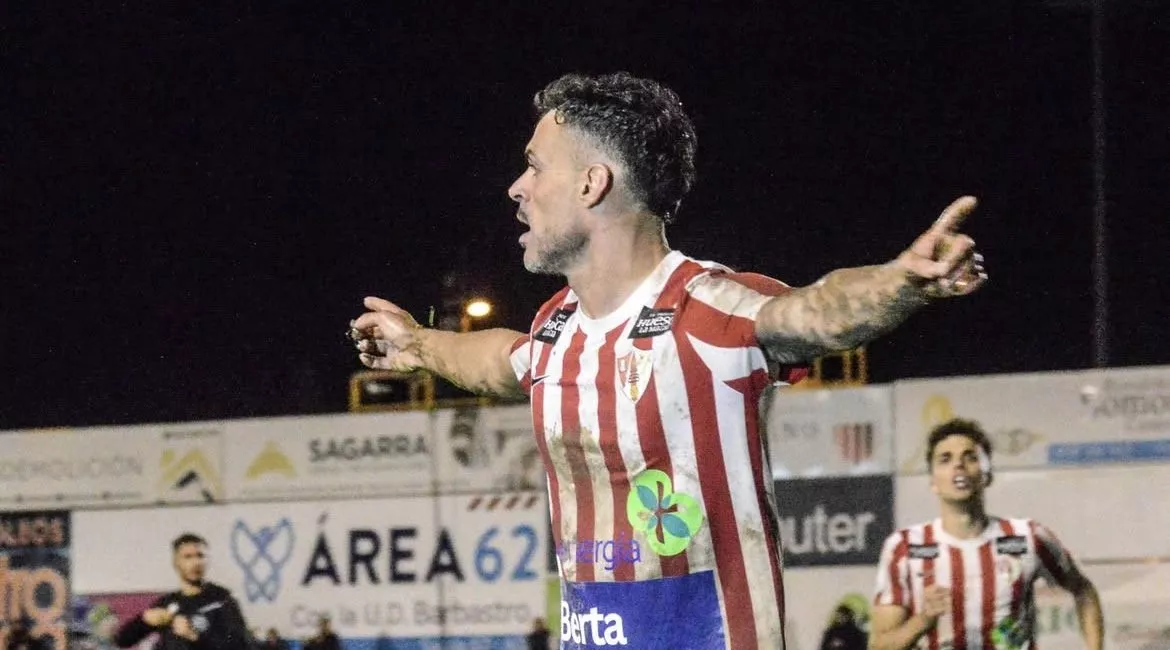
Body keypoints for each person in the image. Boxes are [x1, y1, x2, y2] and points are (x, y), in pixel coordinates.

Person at [351, 72, 987, 649]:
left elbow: (818, 311)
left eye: (535, 167)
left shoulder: (706, 309)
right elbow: (504, 361)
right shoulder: (559, 325)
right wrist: (418, 346)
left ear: (592, 183)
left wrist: (901, 282)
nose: (517, 188)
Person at [869, 418, 1104, 650]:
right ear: (933, 482)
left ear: (986, 475)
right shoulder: (905, 546)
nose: (958, 465)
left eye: (970, 457)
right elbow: (879, 646)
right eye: (945, 459)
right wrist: (922, 620)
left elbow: (1083, 591)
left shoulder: (1027, 537)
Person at [114, 533, 252, 650]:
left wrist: (195, 636)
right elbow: (122, 641)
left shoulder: (221, 599)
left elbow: (241, 645)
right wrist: (143, 621)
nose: (196, 562)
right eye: (188, 557)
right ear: (176, 562)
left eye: (200, 556)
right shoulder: (167, 603)